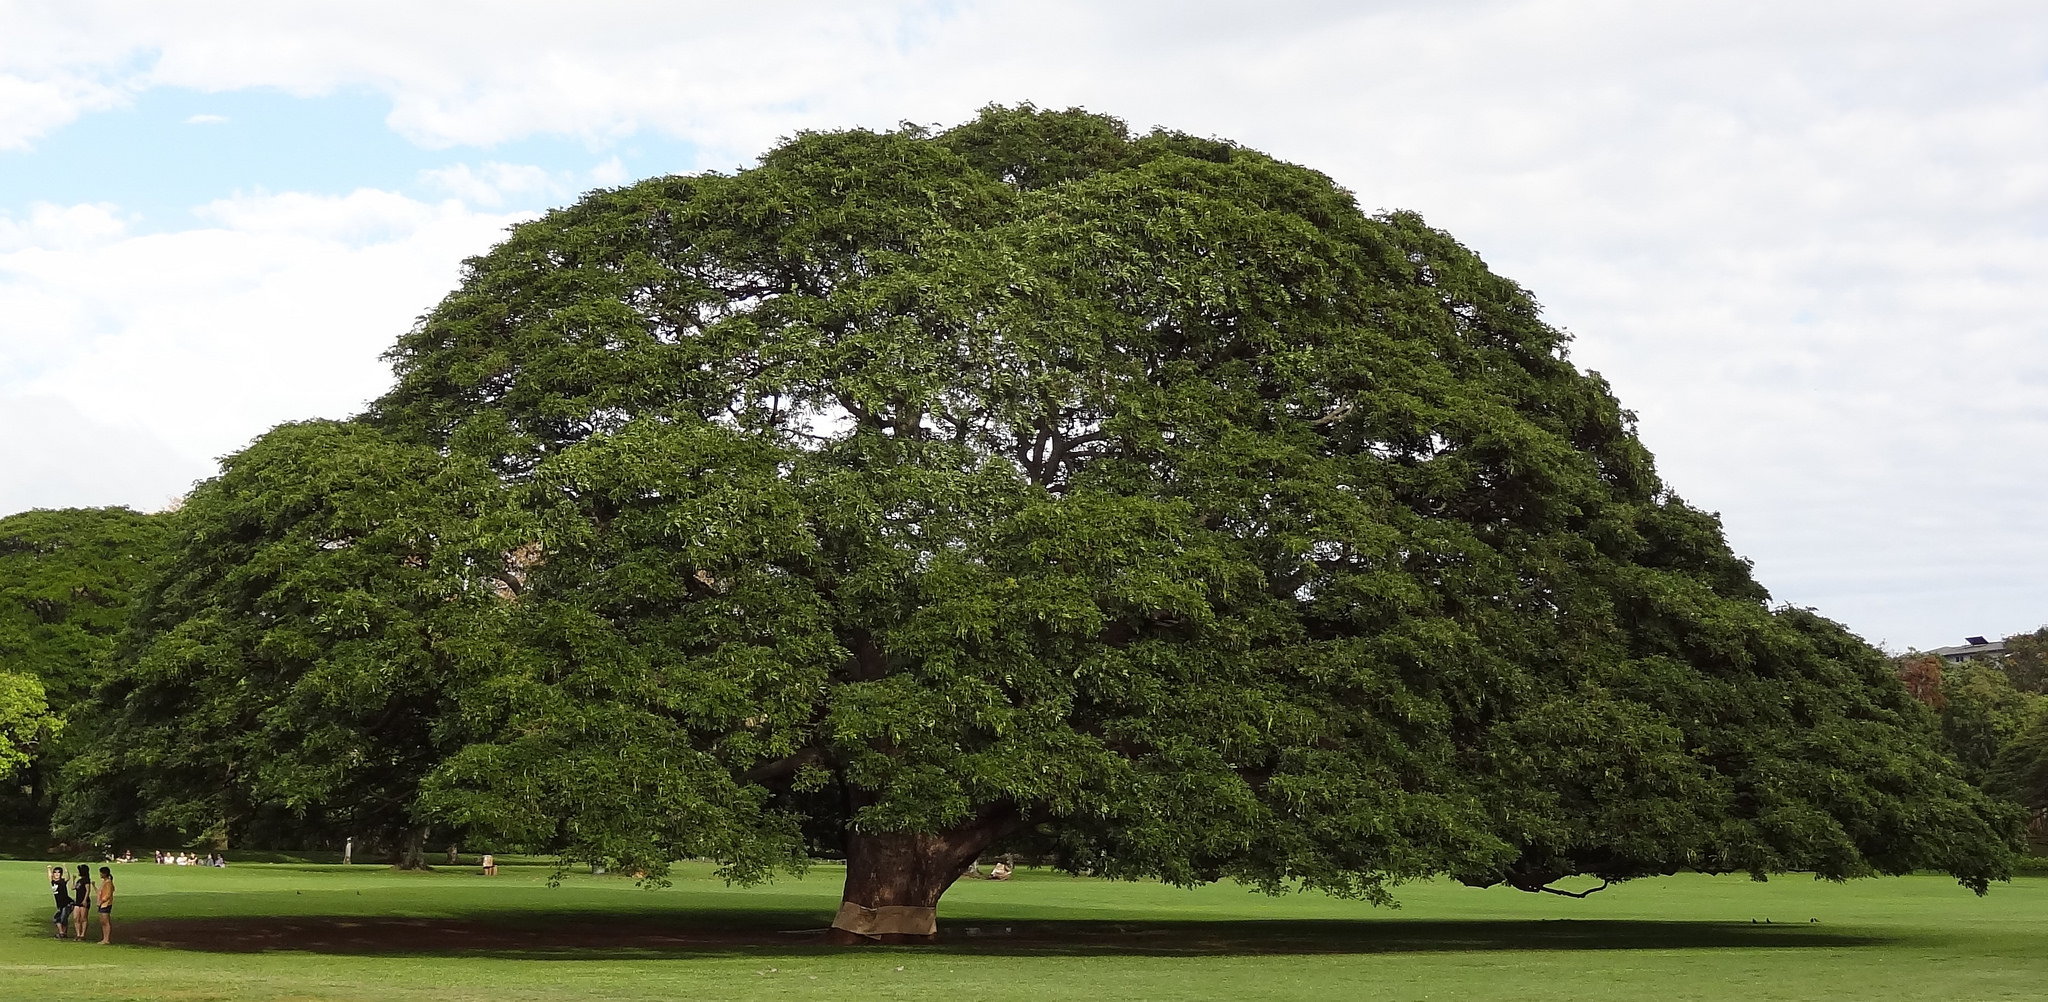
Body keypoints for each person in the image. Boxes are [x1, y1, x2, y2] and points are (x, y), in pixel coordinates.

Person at [71, 864, 93, 940]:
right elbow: (73, 888)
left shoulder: (86, 880)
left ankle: (82, 934)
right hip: (77, 901)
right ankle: (78, 934)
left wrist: (85, 900)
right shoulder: (79, 880)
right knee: (76, 917)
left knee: (83, 918)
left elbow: (88, 890)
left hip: (84, 900)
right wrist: (73, 880)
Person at [50, 866, 71, 939]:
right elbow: (50, 877)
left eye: (58, 872)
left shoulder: (62, 881)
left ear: (61, 874)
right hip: (60, 904)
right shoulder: (53, 882)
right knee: (57, 919)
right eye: (55, 872)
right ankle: (62, 933)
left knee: (62, 918)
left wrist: (66, 868)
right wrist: (49, 869)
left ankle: (62, 933)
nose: (56, 874)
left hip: (67, 903)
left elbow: (68, 878)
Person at [95, 866, 114, 944]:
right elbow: (99, 892)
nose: (100, 874)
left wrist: (102, 901)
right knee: (103, 922)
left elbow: (108, 894)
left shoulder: (108, 883)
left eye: (101, 873)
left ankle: (107, 939)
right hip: (102, 904)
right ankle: (104, 938)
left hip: (106, 904)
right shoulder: (104, 882)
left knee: (106, 922)